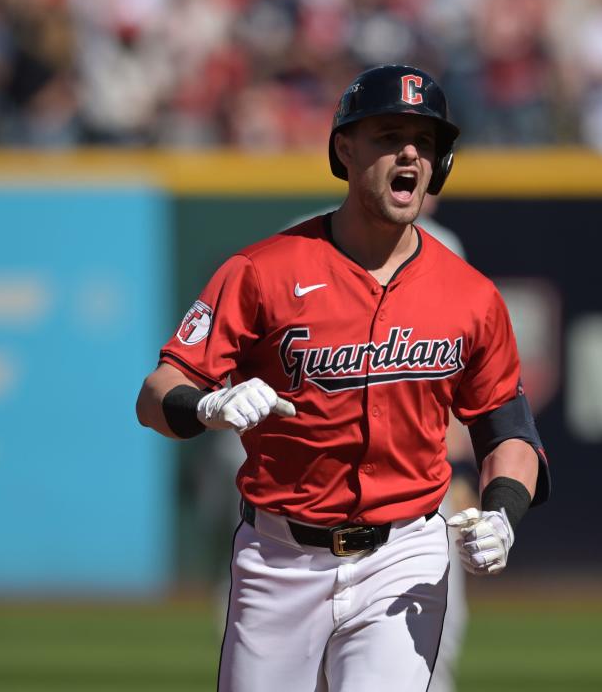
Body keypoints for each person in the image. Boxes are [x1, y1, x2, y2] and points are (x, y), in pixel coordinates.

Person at [135, 64, 550, 692]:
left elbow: (508, 429)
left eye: (426, 142)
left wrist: (504, 511)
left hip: (404, 556)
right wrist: (208, 406)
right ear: (345, 149)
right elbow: (155, 394)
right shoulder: (261, 271)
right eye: (388, 135)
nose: (410, 152)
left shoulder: (470, 295)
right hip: (279, 558)